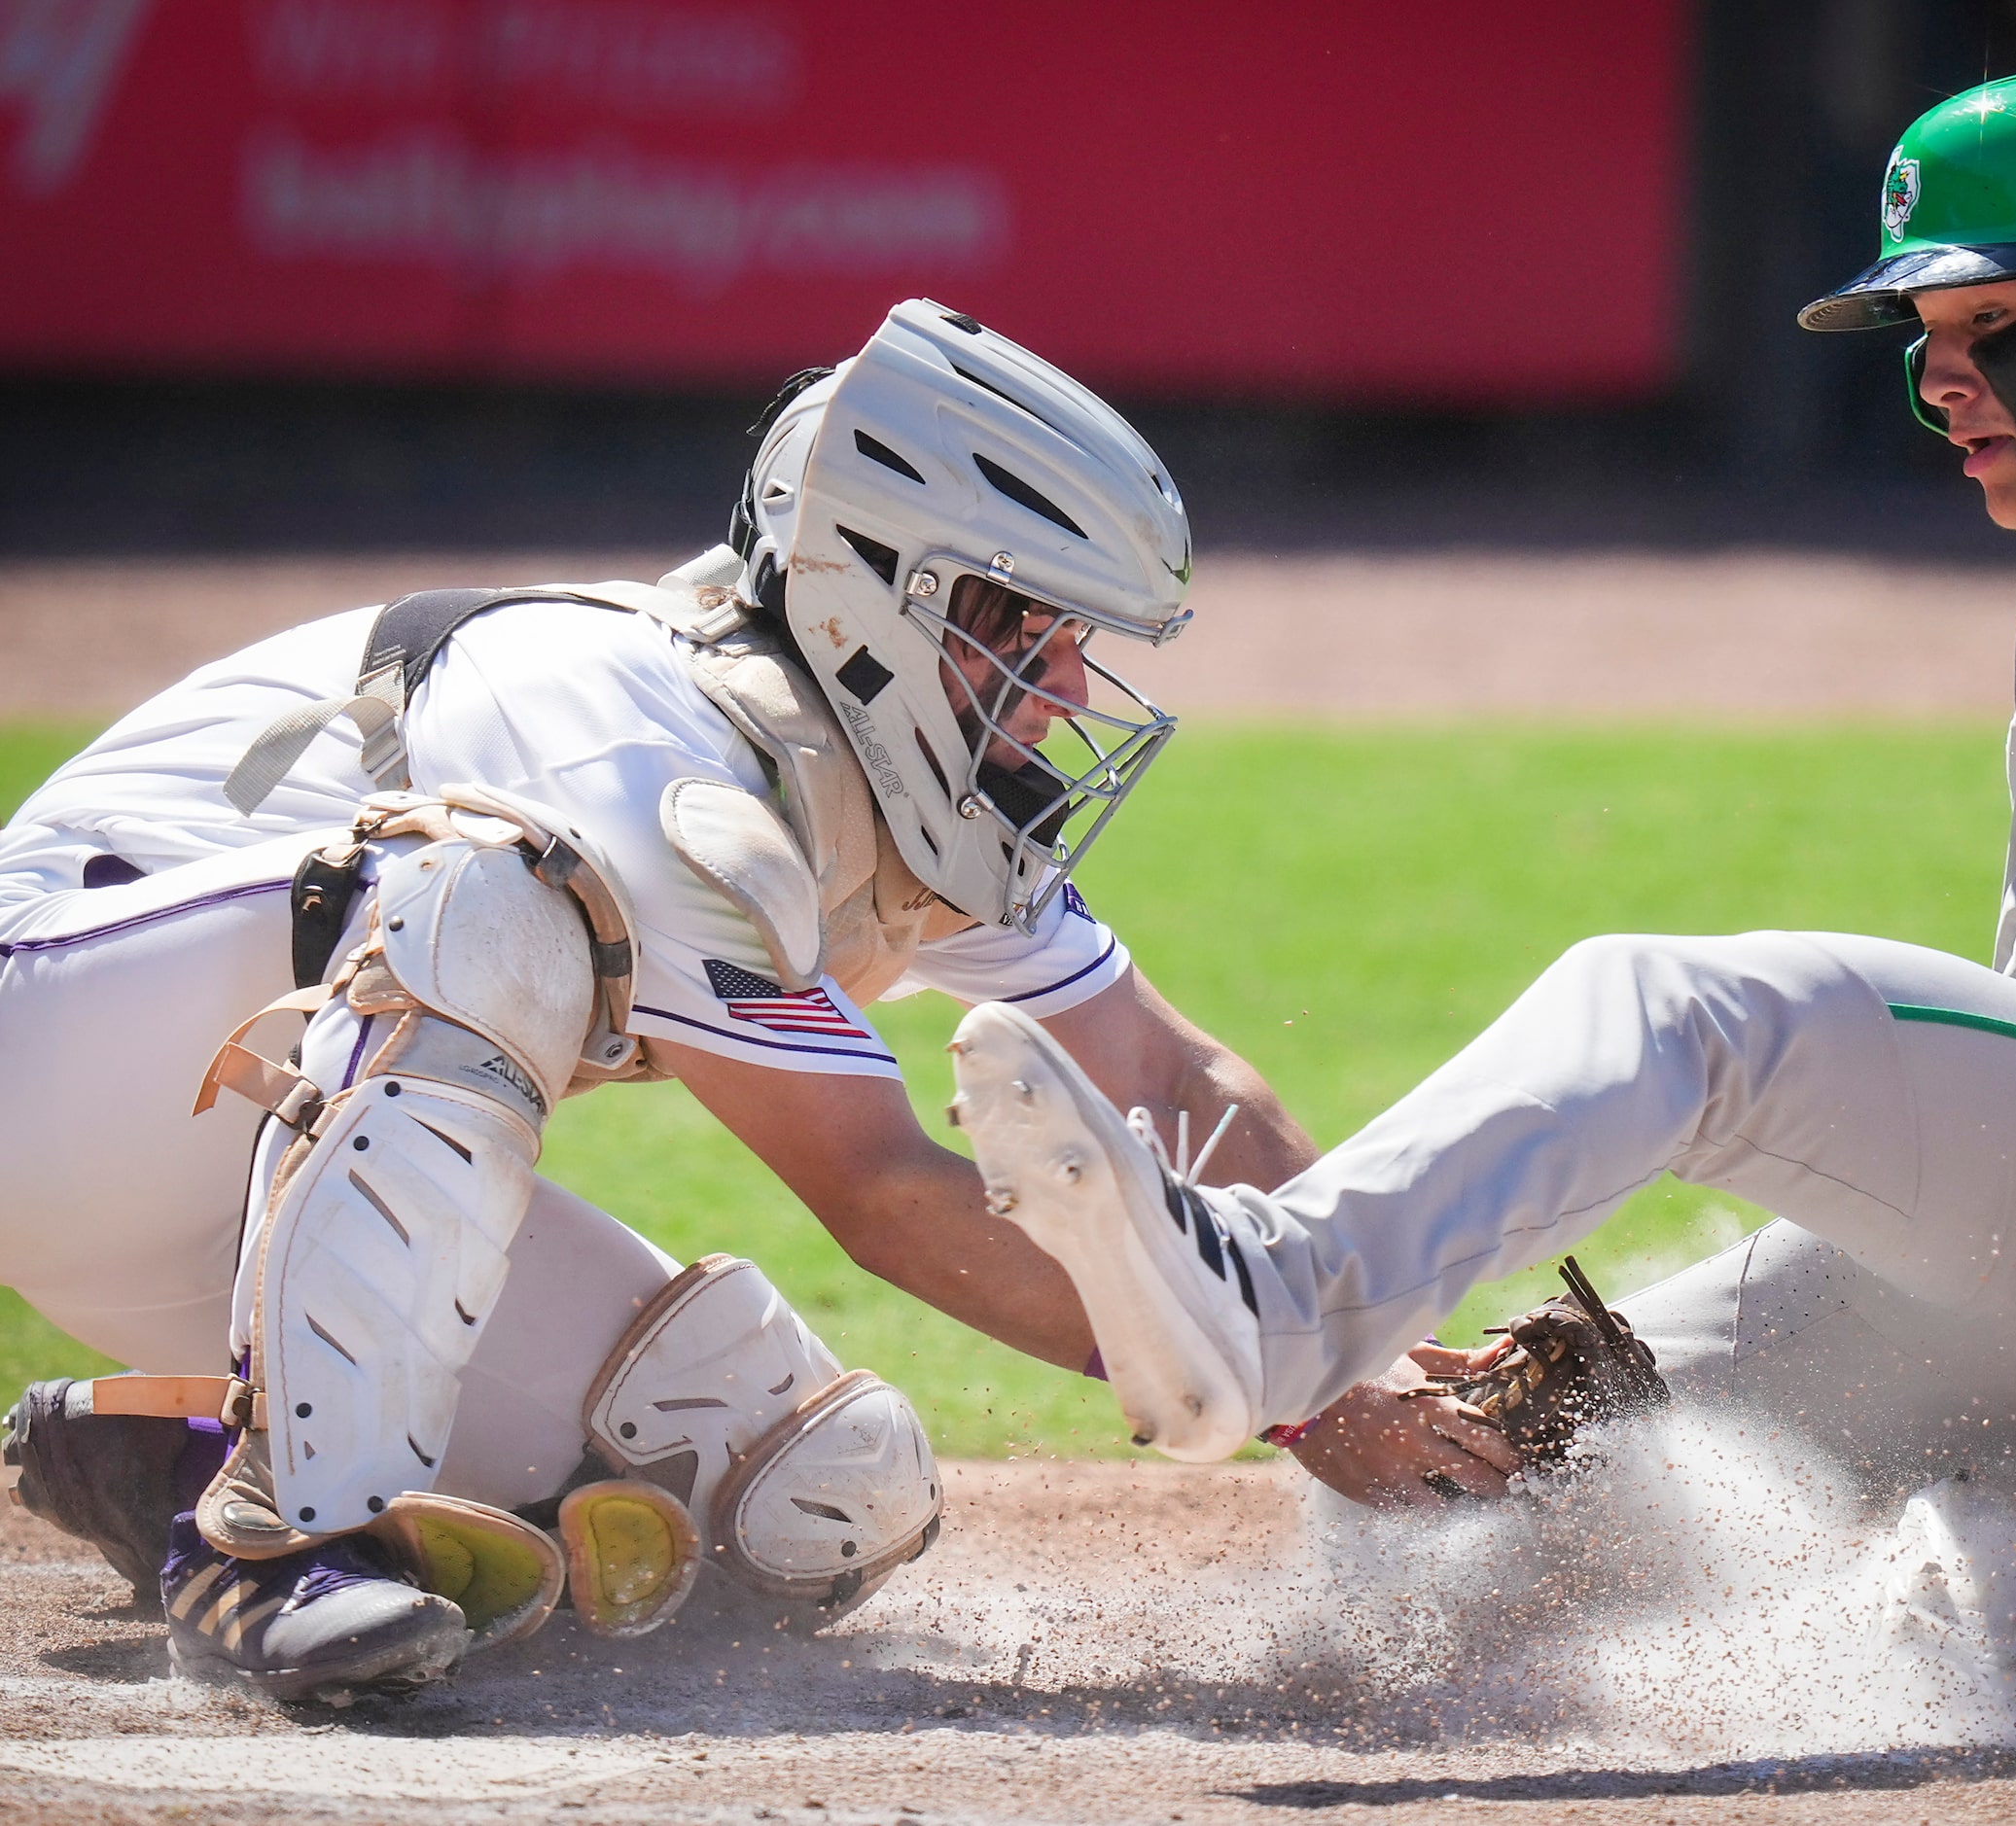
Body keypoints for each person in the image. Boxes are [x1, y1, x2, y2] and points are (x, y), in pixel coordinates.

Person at [943, 66, 2016, 1679]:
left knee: (1677, 1007)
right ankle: (1934, 1579)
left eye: (1985, 326)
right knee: (1489, 1496)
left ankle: (1274, 1294)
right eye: (1920, 340)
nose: (1936, 382)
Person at [0, 300, 1312, 1703]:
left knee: (813, 1491)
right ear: (880, 597)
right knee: (492, 894)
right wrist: (1290, 1393)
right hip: (63, 1066)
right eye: (1032, 633)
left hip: (245, 1201)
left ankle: (168, 1457)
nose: (1065, 687)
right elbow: (879, 1188)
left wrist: (1368, 1327)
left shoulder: (893, 783)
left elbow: (1169, 1078)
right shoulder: (635, 722)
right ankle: (280, 1539)